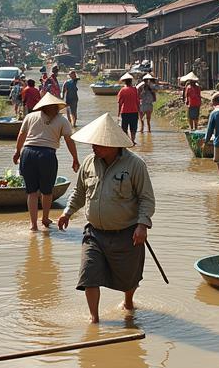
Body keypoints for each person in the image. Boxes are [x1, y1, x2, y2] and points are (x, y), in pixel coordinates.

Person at [58, 113, 156, 323]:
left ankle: (128, 302)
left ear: (113, 144)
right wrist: (67, 212)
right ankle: (94, 319)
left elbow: (146, 198)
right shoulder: (88, 163)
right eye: (93, 143)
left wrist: (142, 225)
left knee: (129, 277)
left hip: (127, 233)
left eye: (99, 144)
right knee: (89, 275)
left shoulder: (134, 165)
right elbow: (79, 192)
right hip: (94, 233)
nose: (94, 147)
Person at [14, 93, 80, 231]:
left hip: (28, 153)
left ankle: (33, 225)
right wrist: (75, 158)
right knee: (47, 191)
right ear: (56, 107)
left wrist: (17, 152)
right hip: (47, 155)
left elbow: (21, 135)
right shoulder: (62, 121)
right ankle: (44, 218)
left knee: (31, 192)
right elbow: (69, 140)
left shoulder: (30, 117)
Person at [117, 72, 140, 144]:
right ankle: (132, 140)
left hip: (125, 112)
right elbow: (137, 102)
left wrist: (118, 113)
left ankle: (128, 141)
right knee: (133, 128)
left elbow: (120, 103)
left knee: (124, 128)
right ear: (131, 81)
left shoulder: (122, 90)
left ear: (125, 82)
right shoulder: (135, 90)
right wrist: (139, 111)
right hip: (134, 111)